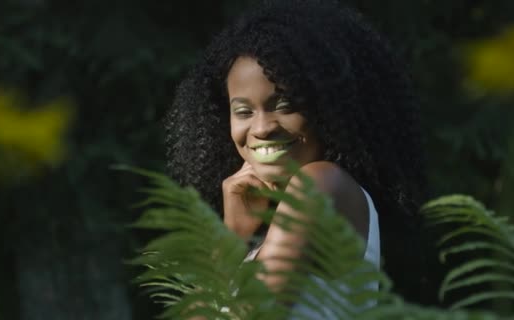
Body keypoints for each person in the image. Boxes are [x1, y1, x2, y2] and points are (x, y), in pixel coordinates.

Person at [164, 0, 432, 313]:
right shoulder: (276, 219)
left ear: (328, 107)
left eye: (285, 105)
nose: (262, 127)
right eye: (243, 111)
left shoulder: (322, 183)